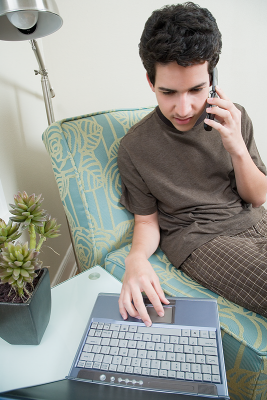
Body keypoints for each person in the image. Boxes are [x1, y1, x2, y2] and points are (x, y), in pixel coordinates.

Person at [117, 2, 267, 327]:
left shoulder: (233, 116)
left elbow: (257, 198)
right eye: (168, 92)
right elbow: (145, 223)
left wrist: (236, 146)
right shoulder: (135, 147)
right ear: (150, 82)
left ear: (212, 77)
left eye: (197, 89)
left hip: (255, 219)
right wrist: (136, 259)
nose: (184, 108)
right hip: (199, 238)